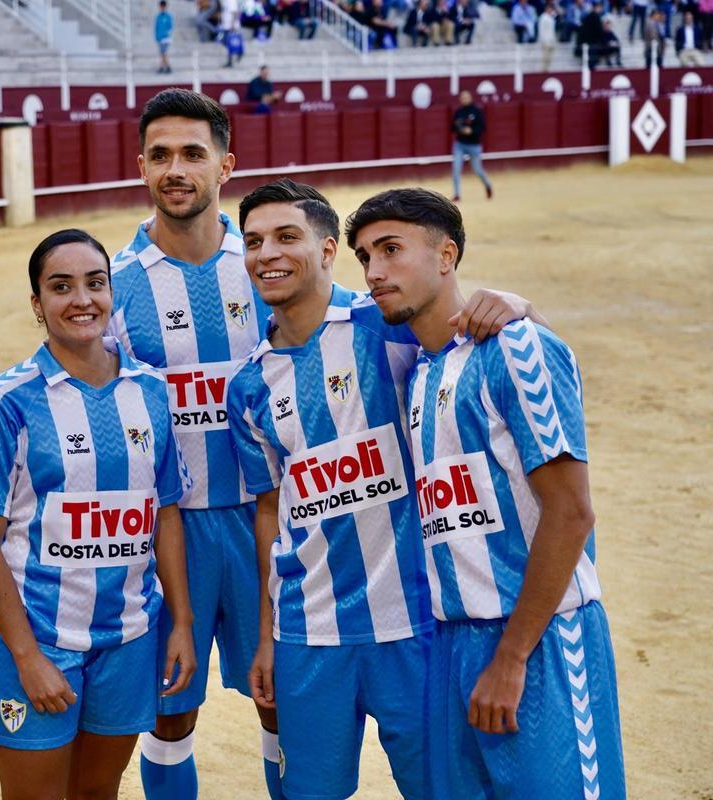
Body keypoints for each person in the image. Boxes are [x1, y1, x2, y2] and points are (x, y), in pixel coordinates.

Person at [227, 179, 539, 800]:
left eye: (287, 236)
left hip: (414, 623)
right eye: (254, 241)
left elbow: (489, 337)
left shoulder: (389, 325)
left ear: (325, 251)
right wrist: (265, 636)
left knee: (442, 790)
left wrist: (516, 303)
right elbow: (270, 510)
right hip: (307, 631)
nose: (268, 253)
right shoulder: (249, 388)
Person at [348, 187, 626, 800]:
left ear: (447, 254)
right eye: (365, 256)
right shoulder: (418, 372)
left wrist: (512, 656)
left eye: (392, 249)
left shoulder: (516, 347)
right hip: (451, 642)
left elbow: (572, 511)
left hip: (543, 643)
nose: (374, 271)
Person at [0, 229, 196, 800]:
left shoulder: (152, 391)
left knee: (97, 793)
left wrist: (180, 621)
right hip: (37, 639)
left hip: (129, 637)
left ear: (112, 292)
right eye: (61, 287)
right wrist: (27, 657)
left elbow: (165, 515)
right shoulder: (10, 399)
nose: (82, 299)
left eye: (95, 283)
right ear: (38, 304)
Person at [109, 88, 278, 800]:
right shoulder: (110, 285)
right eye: (160, 155)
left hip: (266, 521)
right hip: (165, 533)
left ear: (226, 165)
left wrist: (510, 308)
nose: (175, 169)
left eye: (192, 154)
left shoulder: (272, 264)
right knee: (171, 712)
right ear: (142, 167)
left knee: (285, 700)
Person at [451, 90, 493, 203]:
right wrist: (460, 129)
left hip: (474, 145)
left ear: (470, 98)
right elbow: (452, 128)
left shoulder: (477, 111)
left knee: (478, 170)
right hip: (460, 144)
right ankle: (457, 194)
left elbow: (482, 128)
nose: (464, 99)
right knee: (456, 168)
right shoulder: (458, 112)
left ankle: (488, 185)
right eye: (462, 97)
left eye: (466, 97)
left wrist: (471, 131)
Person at [156, 0, 175, 74]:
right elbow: (156, 28)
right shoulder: (158, 17)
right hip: (160, 38)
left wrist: (166, 34)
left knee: (163, 52)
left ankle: (164, 66)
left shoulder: (168, 16)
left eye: (163, 7)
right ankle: (165, 66)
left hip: (165, 38)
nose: (162, 8)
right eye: (161, 7)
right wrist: (157, 37)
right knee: (162, 53)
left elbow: (170, 27)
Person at [538, 3, 559, 69]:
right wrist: (543, 41)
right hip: (545, 41)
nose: (550, 10)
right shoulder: (543, 17)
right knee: (545, 58)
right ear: (546, 9)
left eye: (551, 9)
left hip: (551, 40)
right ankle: (543, 71)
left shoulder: (551, 17)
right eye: (549, 8)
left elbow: (557, 15)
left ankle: (546, 70)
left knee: (549, 58)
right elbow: (541, 30)